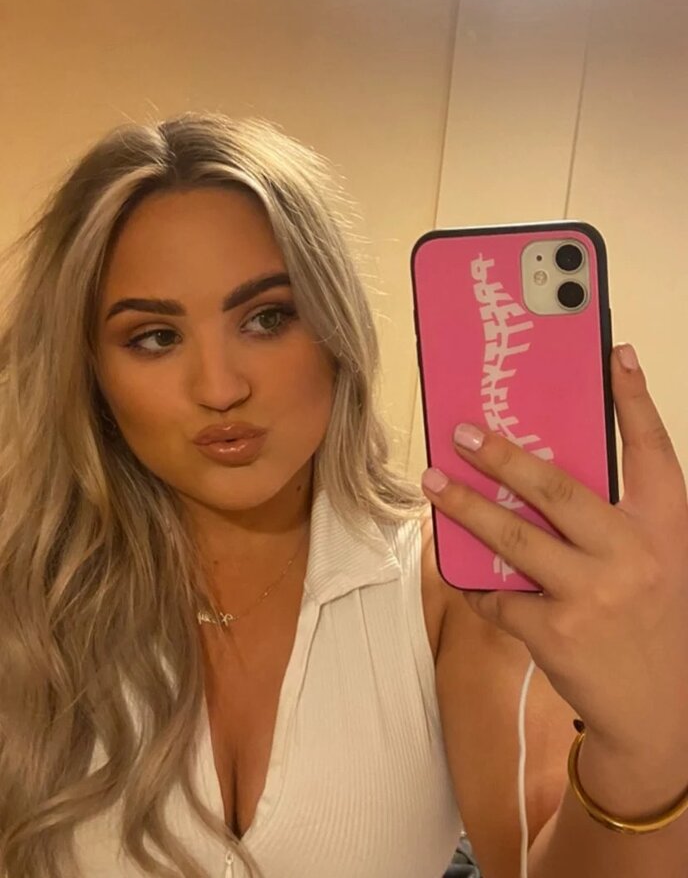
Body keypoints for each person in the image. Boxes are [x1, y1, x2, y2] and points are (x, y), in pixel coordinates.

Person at [1, 113, 686, 878]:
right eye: (155, 337)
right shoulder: (25, 599)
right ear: (89, 369)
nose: (220, 388)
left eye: (267, 318)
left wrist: (647, 744)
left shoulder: (447, 590)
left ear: (335, 330)